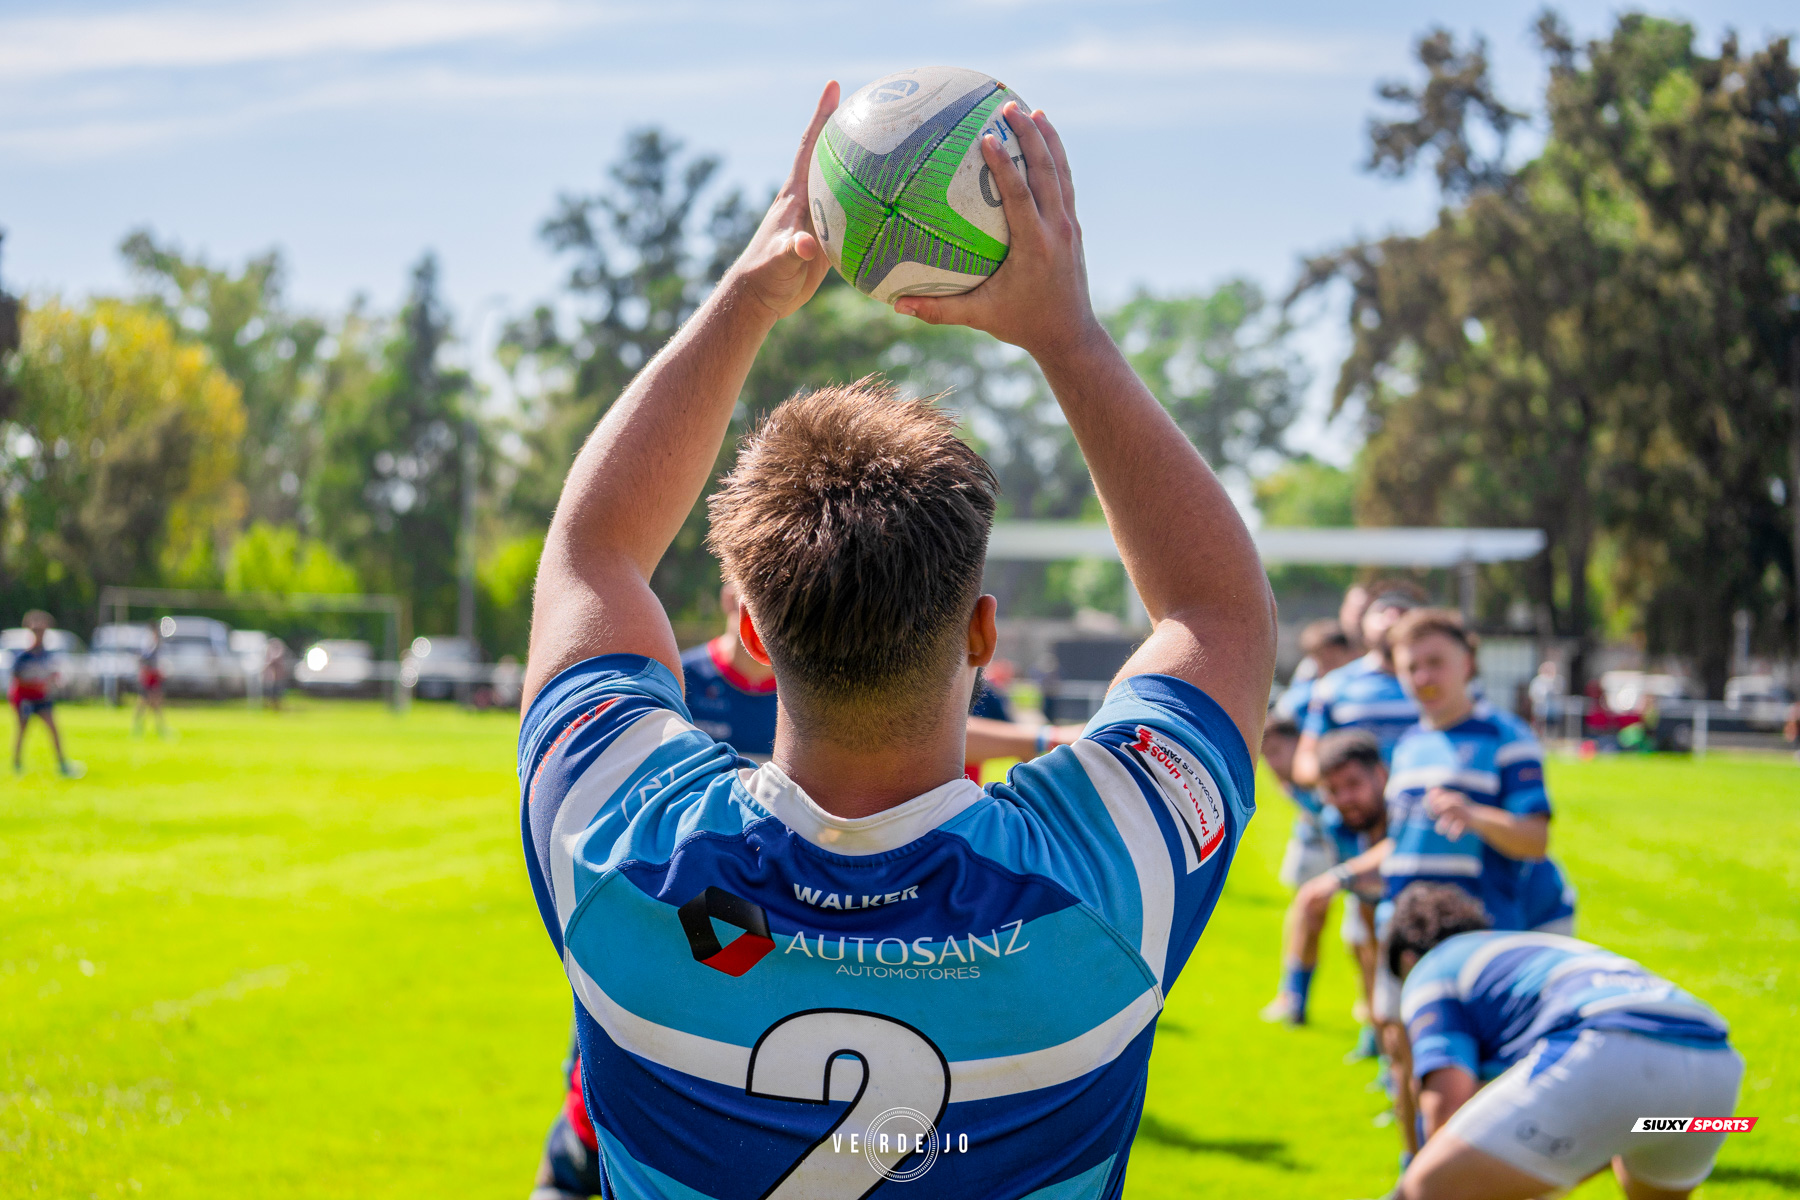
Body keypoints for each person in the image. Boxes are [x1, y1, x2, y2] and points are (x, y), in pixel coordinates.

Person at [516, 86, 1276, 1200]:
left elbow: (593, 554)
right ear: (982, 632)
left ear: (747, 634)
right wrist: (1067, 336)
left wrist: (744, 298)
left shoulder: (626, 861)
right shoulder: (1103, 891)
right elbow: (1219, 613)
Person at [531, 581, 1084, 1200]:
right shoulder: (683, 685)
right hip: (715, 916)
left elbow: (591, 573)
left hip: (758, 918)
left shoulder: (809, 686)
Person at [1386, 883, 1743, 1200]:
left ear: (1407, 959)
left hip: (1610, 1049)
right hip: (1716, 1071)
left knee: (1422, 1190)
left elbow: (1445, 1111)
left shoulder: (1431, 968)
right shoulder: (1527, 951)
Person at [1271, 728, 1387, 1029]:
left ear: (1381, 774)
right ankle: (1296, 1002)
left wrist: (1340, 878)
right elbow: (1367, 902)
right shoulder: (1337, 823)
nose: (1346, 798)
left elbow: (1396, 850)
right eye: (1334, 790)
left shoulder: (1405, 808)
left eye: (1354, 784)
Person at [1290, 583, 1426, 788]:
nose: (1392, 618)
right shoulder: (1334, 685)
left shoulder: (1441, 686)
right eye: (1382, 611)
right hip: (1352, 817)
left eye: (1403, 611)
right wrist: (1348, 783)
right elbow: (1304, 764)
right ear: (1363, 624)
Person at [10, 610, 81, 777]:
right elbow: (17, 679)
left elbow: (52, 674)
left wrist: (54, 680)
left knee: (53, 729)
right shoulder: (24, 656)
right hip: (26, 699)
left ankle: (62, 764)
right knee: (22, 731)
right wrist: (36, 682)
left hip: (41, 698)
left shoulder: (46, 654)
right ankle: (17, 764)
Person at [133, 624, 168, 737]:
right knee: (145, 703)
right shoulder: (148, 643)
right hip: (148, 676)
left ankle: (159, 728)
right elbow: (143, 659)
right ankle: (139, 727)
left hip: (153, 676)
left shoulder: (156, 643)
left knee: (155, 703)